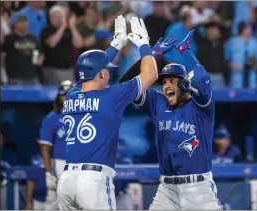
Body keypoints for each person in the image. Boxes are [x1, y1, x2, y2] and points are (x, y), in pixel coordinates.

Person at [56, 15, 158, 209]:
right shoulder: (112, 96)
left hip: (67, 180)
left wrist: (116, 45)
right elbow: (151, 74)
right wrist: (144, 44)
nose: (109, 73)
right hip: (93, 180)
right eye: (107, 70)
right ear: (102, 73)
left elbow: (90, 72)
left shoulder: (71, 94)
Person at [120, 30, 222, 209]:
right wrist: (151, 55)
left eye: (171, 81)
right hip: (167, 189)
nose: (166, 86)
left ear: (184, 84)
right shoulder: (157, 102)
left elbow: (202, 80)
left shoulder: (201, 106)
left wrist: (184, 51)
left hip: (198, 189)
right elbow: (125, 86)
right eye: (164, 82)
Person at [39, 80, 74, 209]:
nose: (66, 98)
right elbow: (45, 148)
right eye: (63, 95)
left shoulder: (84, 115)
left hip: (80, 162)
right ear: (58, 97)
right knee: (53, 200)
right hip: (59, 162)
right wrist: (49, 174)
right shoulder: (51, 118)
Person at [26, 140, 47, 210]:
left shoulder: (57, 158)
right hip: (38, 200)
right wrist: (29, 201)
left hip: (54, 200)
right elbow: (30, 181)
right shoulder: (35, 158)